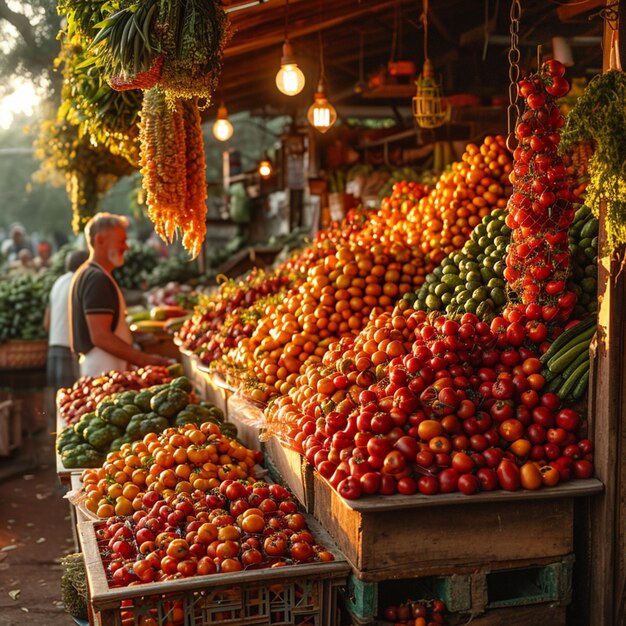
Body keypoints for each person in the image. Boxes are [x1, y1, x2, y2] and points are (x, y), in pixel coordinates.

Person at [69, 212, 173, 378]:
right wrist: (143, 359)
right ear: (100, 241)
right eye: (121, 241)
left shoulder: (92, 273)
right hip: (103, 370)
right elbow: (100, 336)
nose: (126, 247)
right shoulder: (96, 279)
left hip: (106, 368)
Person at [44, 249, 90, 390]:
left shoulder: (58, 282)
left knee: (58, 400)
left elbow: (46, 322)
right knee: (72, 397)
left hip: (54, 347)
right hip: (70, 349)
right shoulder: (80, 281)